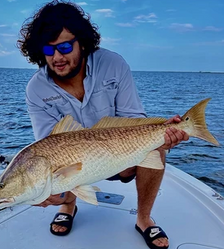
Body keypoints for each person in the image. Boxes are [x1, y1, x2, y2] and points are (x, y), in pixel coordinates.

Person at [17, 1, 189, 248]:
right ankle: (68, 206)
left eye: (65, 47)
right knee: (54, 166)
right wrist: (48, 191)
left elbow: (134, 120)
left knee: (156, 149)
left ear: (83, 43)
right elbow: (48, 146)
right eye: (48, 48)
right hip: (73, 164)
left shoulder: (113, 64)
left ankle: (143, 218)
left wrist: (163, 135)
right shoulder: (36, 89)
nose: (57, 57)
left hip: (121, 154)